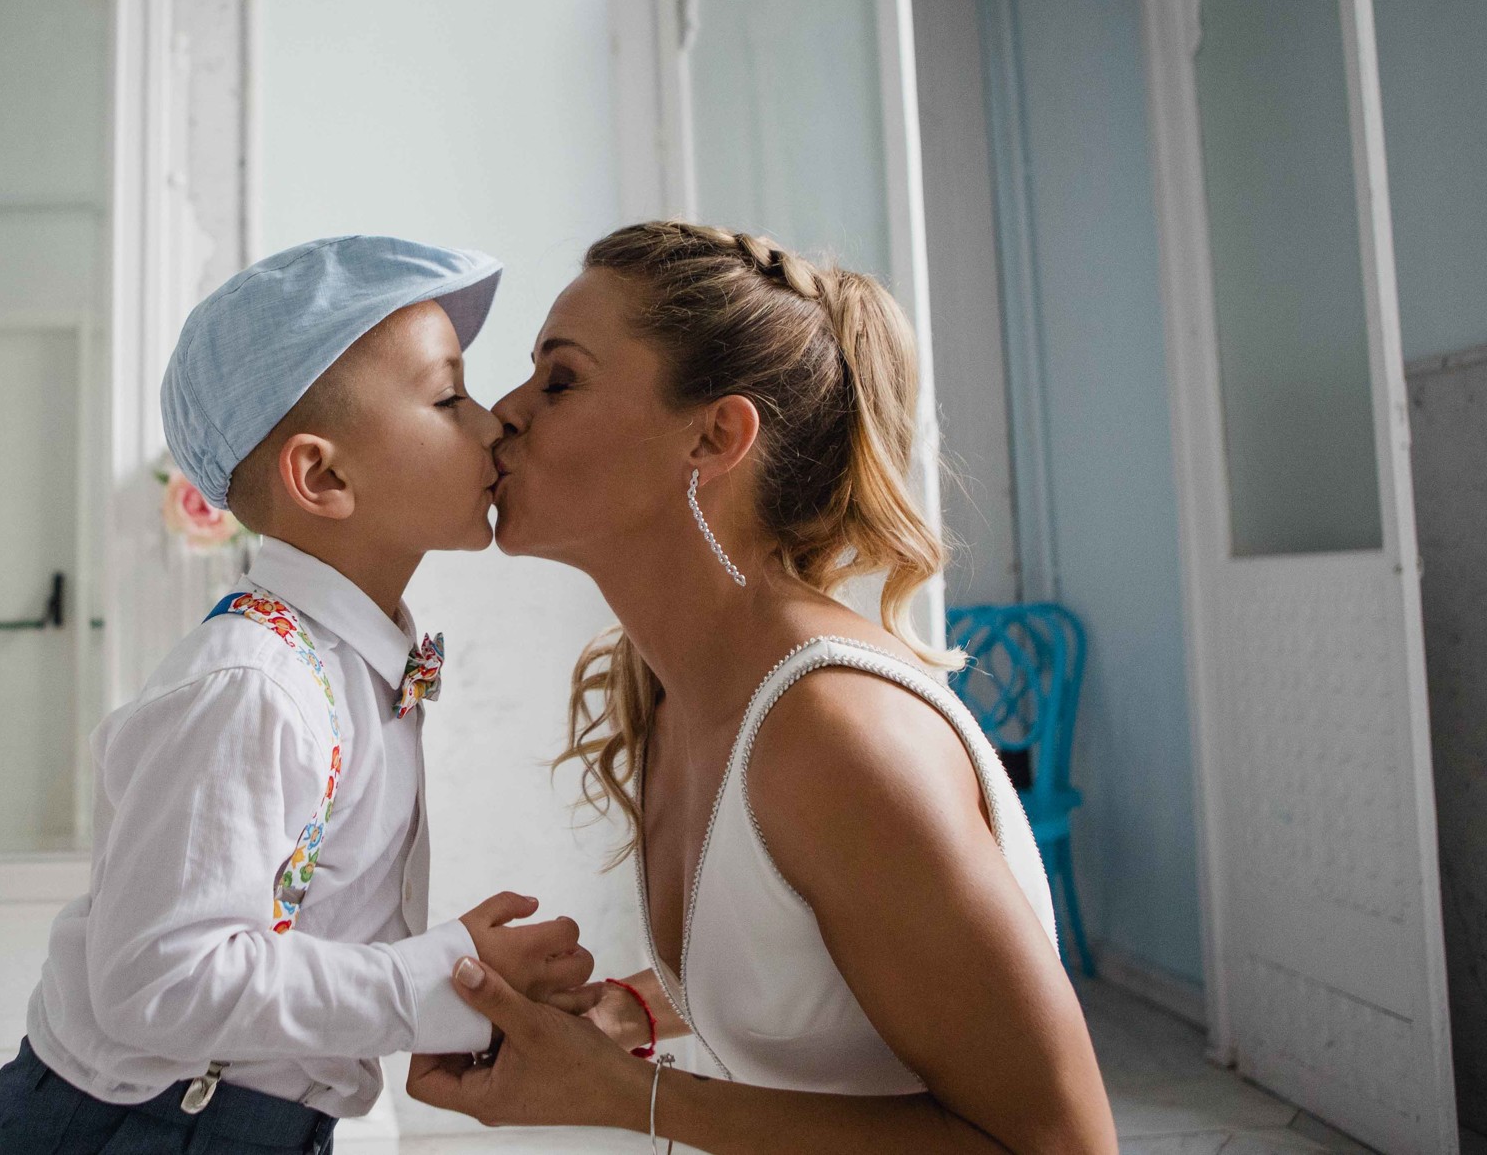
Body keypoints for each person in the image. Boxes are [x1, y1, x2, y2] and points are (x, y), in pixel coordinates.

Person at [408, 222, 1117, 1152]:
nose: (505, 410)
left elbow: (1066, 1143)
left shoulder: (833, 732)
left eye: (561, 378)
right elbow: (813, 961)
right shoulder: (674, 688)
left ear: (714, 434)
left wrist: (629, 1098)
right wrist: (623, 1011)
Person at [0, 237, 594, 1155]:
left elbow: (318, 930)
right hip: (129, 1131)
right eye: (448, 396)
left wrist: (472, 1002)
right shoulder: (251, 685)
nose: (494, 420)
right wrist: (438, 978)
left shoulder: (352, 666)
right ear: (324, 477)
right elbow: (159, 983)